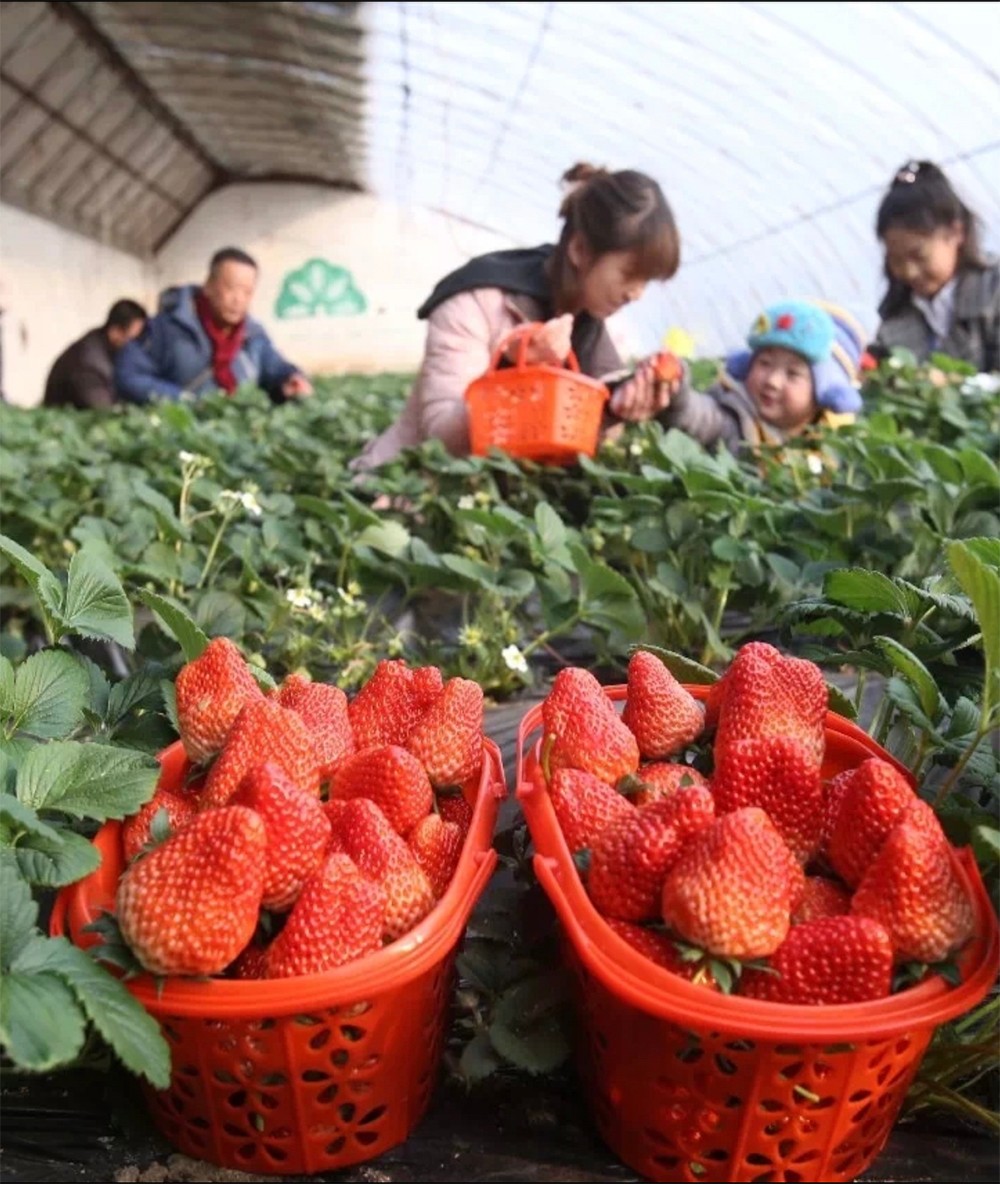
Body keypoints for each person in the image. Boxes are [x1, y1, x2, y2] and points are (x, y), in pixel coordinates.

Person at [350, 162, 682, 472]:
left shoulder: (592, 329)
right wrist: (516, 370)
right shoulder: (477, 300)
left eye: (647, 282)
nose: (636, 294)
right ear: (580, 250)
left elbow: (574, 451)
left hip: (499, 500)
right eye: (629, 274)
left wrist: (615, 410)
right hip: (412, 483)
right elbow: (442, 435)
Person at [655, 299, 865, 455]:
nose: (773, 381)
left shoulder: (829, 449)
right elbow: (698, 416)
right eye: (764, 363)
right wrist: (675, 391)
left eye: (792, 374)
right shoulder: (735, 420)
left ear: (825, 394)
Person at [115, 247, 314, 405]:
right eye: (230, 288)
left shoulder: (252, 335)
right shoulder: (165, 329)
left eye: (247, 292)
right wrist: (183, 401)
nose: (238, 299)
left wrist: (291, 379)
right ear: (208, 286)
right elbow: (129, 377)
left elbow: (275, 368)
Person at [871, 160, 999, 372]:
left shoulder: (993, 291)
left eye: (918, 255)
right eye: (896, 259)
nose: (908, 271)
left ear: (956, 233)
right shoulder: (896, 317)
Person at [42, 299, 147, 409]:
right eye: (131, 338)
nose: (135, 345)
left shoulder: (101, 340)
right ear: (115, 331)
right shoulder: (91, 365)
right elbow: (103, 412)